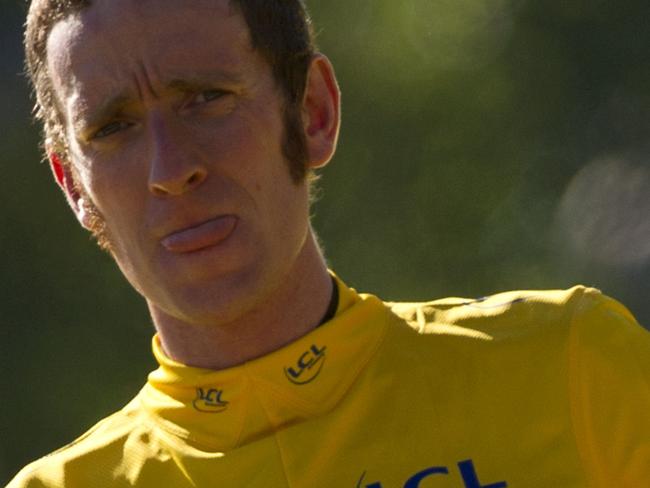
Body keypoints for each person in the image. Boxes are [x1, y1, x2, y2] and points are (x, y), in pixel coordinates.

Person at [9, 0, 649, 486]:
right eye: (113, 127)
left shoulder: (570, 367)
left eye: (206, 98)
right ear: (73, 186)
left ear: (313, 111)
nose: (170, 170)